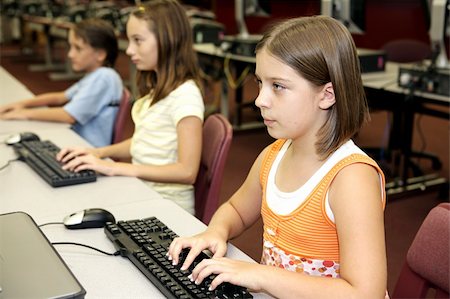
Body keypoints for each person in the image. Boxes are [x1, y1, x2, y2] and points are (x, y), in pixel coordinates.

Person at [167, 15, 389, 298]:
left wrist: (262, 275)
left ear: (327, 95)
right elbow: (236, 209)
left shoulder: (351, 178)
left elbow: (364, 293)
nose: (260, 99)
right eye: (260, 82)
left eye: (278, 86)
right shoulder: (272, 156)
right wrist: (216, 231)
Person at [57, 0, 205, 215]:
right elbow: (144, 142)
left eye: (138, 41)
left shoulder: (186, 96)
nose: (129, 50)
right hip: (143, 192)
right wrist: (97, 153)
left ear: (168, 40)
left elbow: (187, 171)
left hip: (167, 209)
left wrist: (115, 168)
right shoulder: (157, 89)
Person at [0, 18, 122, 147]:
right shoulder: (95, 75)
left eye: (78, 48)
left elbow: (68, 116)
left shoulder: (104, 78)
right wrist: (21, 104)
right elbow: (60, 97)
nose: (70, 54)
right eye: (71, 47)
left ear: (100, 54)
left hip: (87, 147)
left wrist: (23, 114)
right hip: (77, 141)